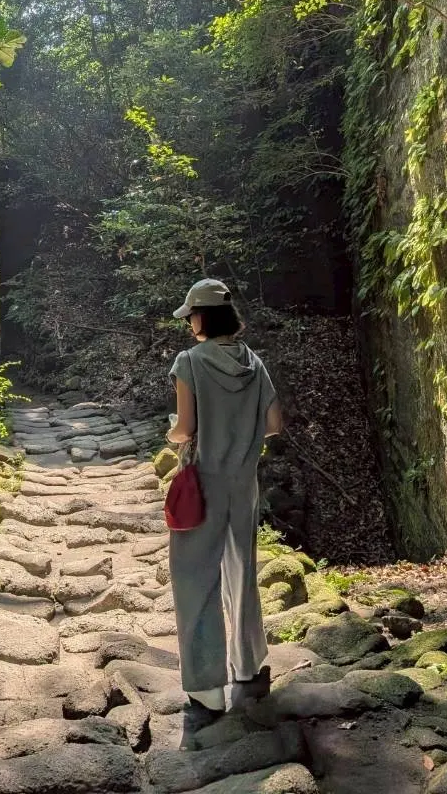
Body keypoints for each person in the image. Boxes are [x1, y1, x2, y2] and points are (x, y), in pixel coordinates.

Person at [166, 277, 284, 729]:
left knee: (195, 580)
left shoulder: (190, 361)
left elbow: (185, 428)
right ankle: (250, 667)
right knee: (243, 573)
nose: (189, 323)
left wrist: (172, 431)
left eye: (191, 315)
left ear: (202, 316)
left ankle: (206, 691)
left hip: (204, 483)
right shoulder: (254, 363)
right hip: (244, 483)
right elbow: (274, 423)